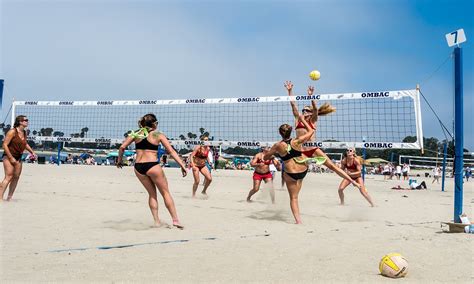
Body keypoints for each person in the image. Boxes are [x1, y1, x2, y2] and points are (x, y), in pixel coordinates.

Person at [285, 81, 362, 190]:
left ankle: (353, 182)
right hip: (301, 150)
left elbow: (315, 109)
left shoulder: (313, 120)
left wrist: (311, 97)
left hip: (313, 148)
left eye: (307, 110)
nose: (304, 111)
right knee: (299, 174)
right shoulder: (298, 120)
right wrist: (289, 91)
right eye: (303, 110)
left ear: (310, 113)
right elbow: (293, 104)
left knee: (332, 166)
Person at [117, 114, 187, 229]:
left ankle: (156, 221)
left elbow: (122, 147)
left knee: (152, 194)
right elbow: (171, 151)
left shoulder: (135, 133)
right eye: (157, 123)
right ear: (154, 124)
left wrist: (119, 160)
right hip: (152, 166)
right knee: (165, 193)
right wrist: (182, 165)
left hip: (139, 167)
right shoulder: (158, 135)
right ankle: (175, 220)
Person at [263, 114, 314, 224]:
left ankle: (298, 221)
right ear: (291, 132)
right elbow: (311, 131)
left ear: (280, 133)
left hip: (291, 172)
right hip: (303, 170)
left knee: (293, 198)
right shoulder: (297, 141)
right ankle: (298, 218)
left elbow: (265, 157)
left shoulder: (277, 145)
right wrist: (302, 120)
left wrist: (273, 155)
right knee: (296, 195)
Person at [1, 115, 36, 201]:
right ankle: (0, 198)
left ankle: (9, 197)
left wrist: (32, 152)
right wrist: (11, 157)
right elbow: (4, 145)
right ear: (20, 122)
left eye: (27, 120)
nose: (27, 121)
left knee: (16, 177)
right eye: (25, 120)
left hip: (18, 157)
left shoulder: (24, 132)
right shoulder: (12, 132)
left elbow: (25, 144)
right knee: (8, 176)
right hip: (8, 156)